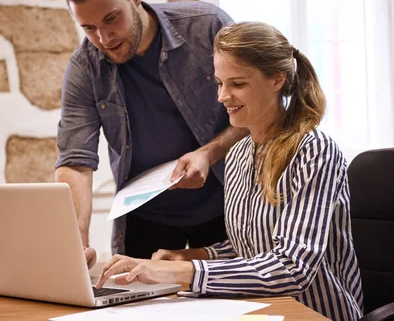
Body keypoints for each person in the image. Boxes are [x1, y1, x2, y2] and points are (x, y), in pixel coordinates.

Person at [98, 22, 364, 321]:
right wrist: (193, 255)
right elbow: (250, 245)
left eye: (237, 84)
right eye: (219, 83)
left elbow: (292, 267)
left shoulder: (314, 151)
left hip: (315, 314)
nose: (222, 96)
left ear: (277, 80)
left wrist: (182, 271)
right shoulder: (238, 153)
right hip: (258, 311)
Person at [55, 0, 248, 266]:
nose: (103, 38)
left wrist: (208, 153)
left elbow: (259, 111)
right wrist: (75, 239)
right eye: (88, 28)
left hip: (227, 204)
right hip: (144, 218)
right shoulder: (84, 67)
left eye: (111, 19)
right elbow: (75, 161)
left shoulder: (207, 27)